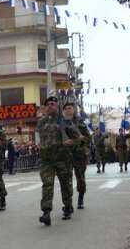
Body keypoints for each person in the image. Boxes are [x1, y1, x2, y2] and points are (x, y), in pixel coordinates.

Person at [36, 96, 73, 226]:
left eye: (53, 104)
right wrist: (38, 144)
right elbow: (37, 136)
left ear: (57, 106)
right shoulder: (41, 122)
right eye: (48, 104)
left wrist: (71, 142)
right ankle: (46, 213)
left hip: (62, 158)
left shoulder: (65, 121)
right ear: (45, 107)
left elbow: (76, 137)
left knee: (65, 184)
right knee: (47, 185)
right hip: (46, 160)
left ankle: (68, 207)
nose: (50, 106)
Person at [63, 103, 91, 209]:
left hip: (79, 155)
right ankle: (68, 203)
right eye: (65, 109)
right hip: (66, 155)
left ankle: (80, 198)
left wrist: (79, 140)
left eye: (69, 108)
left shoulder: (80, 123)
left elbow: (88, 138)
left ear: (74, 110)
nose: (67, 110)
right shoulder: (61, 124)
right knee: (66, 179)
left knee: (80, 178)